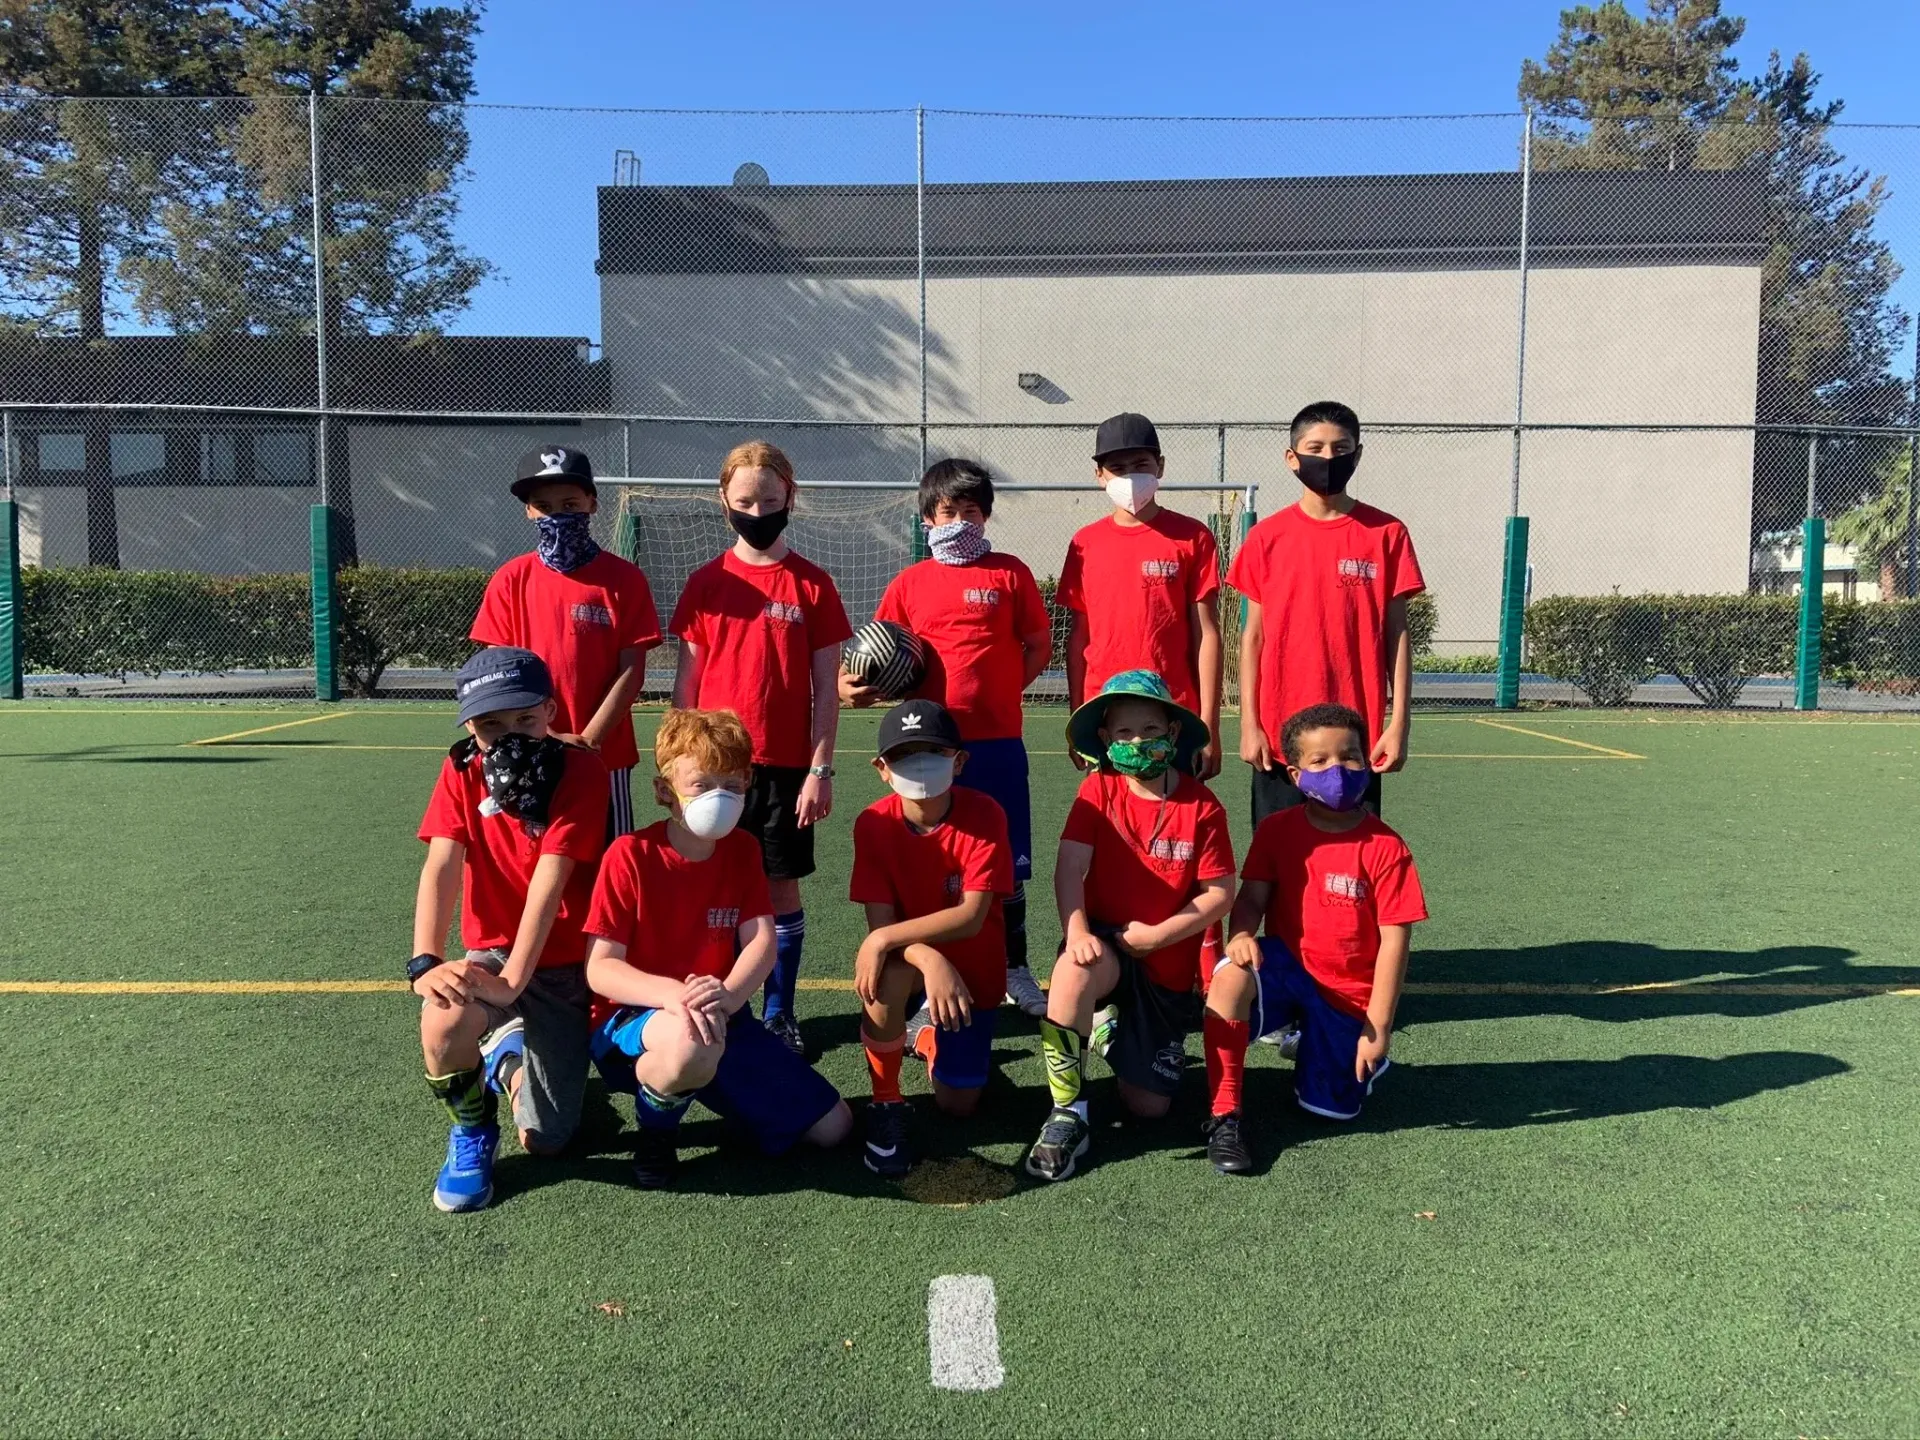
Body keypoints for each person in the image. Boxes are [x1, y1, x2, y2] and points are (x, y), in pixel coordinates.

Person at [582, 708, 853, 1190]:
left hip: (721, 1013)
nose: (719, 798)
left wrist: (729, 996)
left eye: (731, 784)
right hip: (632, 1020)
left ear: (747, 784)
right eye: (702, 785)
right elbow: (601, 971)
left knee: (834, 1128)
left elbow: (763, 942)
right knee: (692, 1039)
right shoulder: (630, 854)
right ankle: (656, 1133)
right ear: (665, 791)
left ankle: (706, 1084)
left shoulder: (743, 850)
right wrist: (673, 996)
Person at [842, 459, 1052, 1017]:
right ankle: (919, 976)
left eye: (970, 511)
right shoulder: (909, 583)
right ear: (927, 517)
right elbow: (878, 653)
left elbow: (1038, 644)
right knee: (933, 863)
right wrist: (854, 687)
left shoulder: (1010, 573)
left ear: (986, 515)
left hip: (997, 741)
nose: (959, 520)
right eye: (947, 511)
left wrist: (1005, 689)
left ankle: (1014, 969)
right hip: (928, 747)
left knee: (1007, 864)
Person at [409, 646, 609, 1213]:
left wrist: (513, 983)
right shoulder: (461, 769)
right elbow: (443, 862)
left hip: (565, 961)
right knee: (443, 1020)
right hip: (496, 952)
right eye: (492, 724)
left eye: (526, 718)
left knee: (547, 1139)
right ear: (470, 726)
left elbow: (552, 877)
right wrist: (426, 959)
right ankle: (471, 1132)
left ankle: (507, 1056)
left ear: (550, 710)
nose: (511, 734)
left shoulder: (581, 769)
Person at [669, 441, 852, 1057]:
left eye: (769, 500)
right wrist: (676, 767)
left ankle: (779, 1012)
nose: (757, 510)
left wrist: (820, 769)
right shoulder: (706, 582)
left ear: (789, 498)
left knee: (779, 891)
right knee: (707, 888)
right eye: (745, 500)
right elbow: (685, 686)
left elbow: (827, 689)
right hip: (713, 771)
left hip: (783, 769)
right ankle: (708, 1003)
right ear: (724, 501)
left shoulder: (813, 585)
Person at [1025, 670, 1235, 1183]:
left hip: (1165, 966)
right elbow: (1069, 868)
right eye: (1123, 733)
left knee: (1149, 1108)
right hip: (1107, 943)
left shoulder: (1202, 806)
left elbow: (1221, 892)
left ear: (1174, 733)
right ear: (1104, 739)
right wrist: (1076, 932)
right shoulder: (1097, 789)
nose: (1138, 741)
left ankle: (1107, 1032)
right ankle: (1067, 1112)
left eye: (1150, 729)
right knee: (1073, 973)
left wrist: (1160, 936)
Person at [1203, 702, 1428, 1174]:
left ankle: (1327, 1046)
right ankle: (1226, 1113)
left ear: (1367, 762)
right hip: (1287, 968)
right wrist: (1241, 934)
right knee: (1229, 978)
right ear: (1294, 773)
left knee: (1328, 1111)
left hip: (1347, 994)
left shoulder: (1387, 847)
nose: (1338, 770)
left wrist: (1378, 1028)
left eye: (1349, 757)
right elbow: (1251, 899)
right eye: (1319, 761)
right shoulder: (1277, 830)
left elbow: (1394, 942)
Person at [1226, 401, 1425, 825]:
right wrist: (1249, 724)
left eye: (1341, 448)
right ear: (1292, 458)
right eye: (1315, 447)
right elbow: (1253, 637)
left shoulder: (1387, 534)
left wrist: (1399, 723)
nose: (1328, 458)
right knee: (1276, 869)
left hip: (1355, 743)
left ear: (1357, 453)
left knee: (1351, 867)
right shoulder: (1266, 538)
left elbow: (1398, 636)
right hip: (1281, 737)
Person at [849, 699, 1015, 1177]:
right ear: (882, 769)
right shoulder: (873, 824)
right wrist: (928, 959)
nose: (919, 763)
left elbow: (971, 916)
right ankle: (885, 1103)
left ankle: (925, 1036)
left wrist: (893, 943)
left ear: (959, 761)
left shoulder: (985, 814)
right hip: (911, 960)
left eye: (933, 750)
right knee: (880, 979)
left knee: (959, 1104)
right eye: (905, 754)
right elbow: (880, 929)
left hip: (974, 965)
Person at [470, 445, 662, 838]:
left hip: (604, 755)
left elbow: (631, 671)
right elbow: (502, 679)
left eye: (570, 503)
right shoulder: (510, 579)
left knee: (608, 864)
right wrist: (546, 737)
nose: (557, 515)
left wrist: (587, 741)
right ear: (528, 510)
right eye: (543, 505)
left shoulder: (624, 579)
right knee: (536, 864)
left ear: (592, 503)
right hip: (524, 751)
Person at [1058, 413, 1224, 780]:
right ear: (1099, 475)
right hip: (1104, 713)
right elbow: (1079, 638)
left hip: (1172, 713)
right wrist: (1076, 718)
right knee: (1109, 827)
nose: (1129, 476)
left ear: (1160, 466)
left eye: (1141, 465)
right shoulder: (1085, 543)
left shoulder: (1192, 537)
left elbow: (1207, 633)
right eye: (1117, 467)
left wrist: (1209, 724)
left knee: (1175, 826)